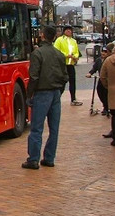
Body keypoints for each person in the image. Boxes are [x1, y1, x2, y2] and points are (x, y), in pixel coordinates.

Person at [22, 26, 68, 169]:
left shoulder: (38, 54)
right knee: (54, 128)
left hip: (42, 92)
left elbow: (34, 77)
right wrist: (59, 91)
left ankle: (33, 159)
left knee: (37, 127)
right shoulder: (59, 54)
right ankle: (49, 157)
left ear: (42, 36)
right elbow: (65, 77)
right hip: (55, 92)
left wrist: (29, 95)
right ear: (54, 37)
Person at [54, 25, 82, 106]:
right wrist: (66, 55)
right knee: (62, 83)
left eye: (70, 30)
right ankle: (56, 99)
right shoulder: (59, 40)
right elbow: (56, 51)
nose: (69, 31)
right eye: (67, 30)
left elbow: (76, 51)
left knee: (72, 82)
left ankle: (73, 98)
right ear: (64, 31)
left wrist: (75, 57)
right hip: (62, 65)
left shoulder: (73, 41)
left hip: (71, 64)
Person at [86, 44, 112, 116]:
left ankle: (107, 108)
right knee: (100, 92)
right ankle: (105, 105)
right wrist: (90, 73)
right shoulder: (99, 60)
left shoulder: (109, 60)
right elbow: (94, 68)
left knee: (106, 94)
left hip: (108, 80)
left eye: (105, 52)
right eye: (102, 52)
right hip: (101, 79)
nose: (103, 53)